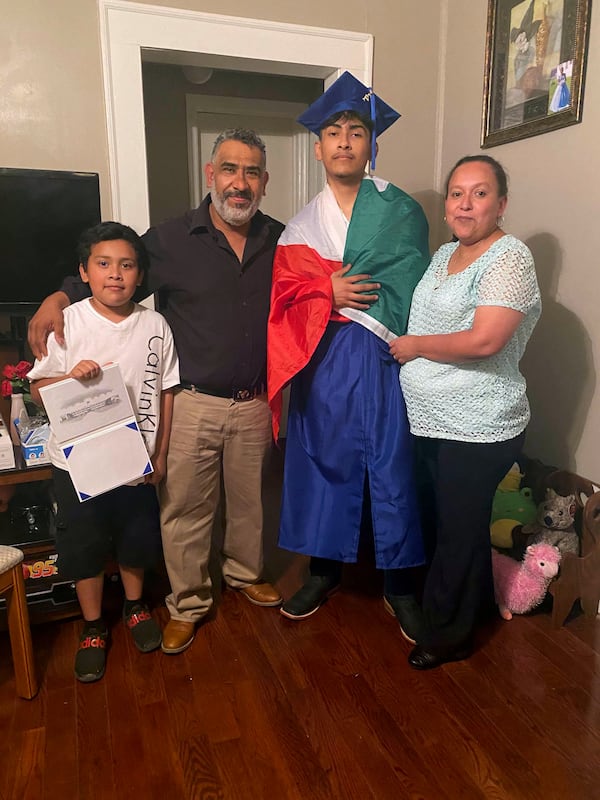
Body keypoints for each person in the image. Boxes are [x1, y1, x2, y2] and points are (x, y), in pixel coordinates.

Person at [28, 129, 284, 656]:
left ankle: (244, 574)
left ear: (264, 182)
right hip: (189, 399)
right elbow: (113, 272)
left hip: (256, 400)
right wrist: (57, 295)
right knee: (185, 509)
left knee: (253, 503)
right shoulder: (169, 240)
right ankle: (188, 602)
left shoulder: (281, 239)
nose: (240, 183)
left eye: (252, 172)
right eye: (230, 170)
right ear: (211, 175)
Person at [268, 72, 430, 636]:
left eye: (355, 131)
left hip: (386, 355)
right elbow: (285, 296)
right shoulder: (299, 226)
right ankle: (322, 570)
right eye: (333, 132)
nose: (343, 141)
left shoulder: (401, 210)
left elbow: (415, 281)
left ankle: (402, 584)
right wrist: (324, 290)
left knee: (393, 463)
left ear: (371, 144)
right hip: (324, 354)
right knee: (321, 461)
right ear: (318, 148)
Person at [391, 154, 541, 669]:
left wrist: (413, 346)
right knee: (450, 521)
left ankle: (446, 635)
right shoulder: (443, 254)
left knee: (456, 530)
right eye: (457, 193)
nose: (464, 203)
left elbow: (485, 341)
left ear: (500, 203)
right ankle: (469, 605)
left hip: (478, 423)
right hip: (430, 417)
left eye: (479, 193)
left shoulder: (510, 258)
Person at [28, 221, 179, 682]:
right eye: (104, 264)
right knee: (85, 545)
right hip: (78, 465)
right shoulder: (68, 322)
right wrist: (72, 378)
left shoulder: (155, 324)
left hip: (136, 462)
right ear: (84, 272)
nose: (116, 274)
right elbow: (37, 390)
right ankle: (93, 626)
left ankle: (135, 606)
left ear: (139, 274)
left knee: (136, 538)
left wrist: (163, 453)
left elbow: (167, 390)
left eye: (127, 265)